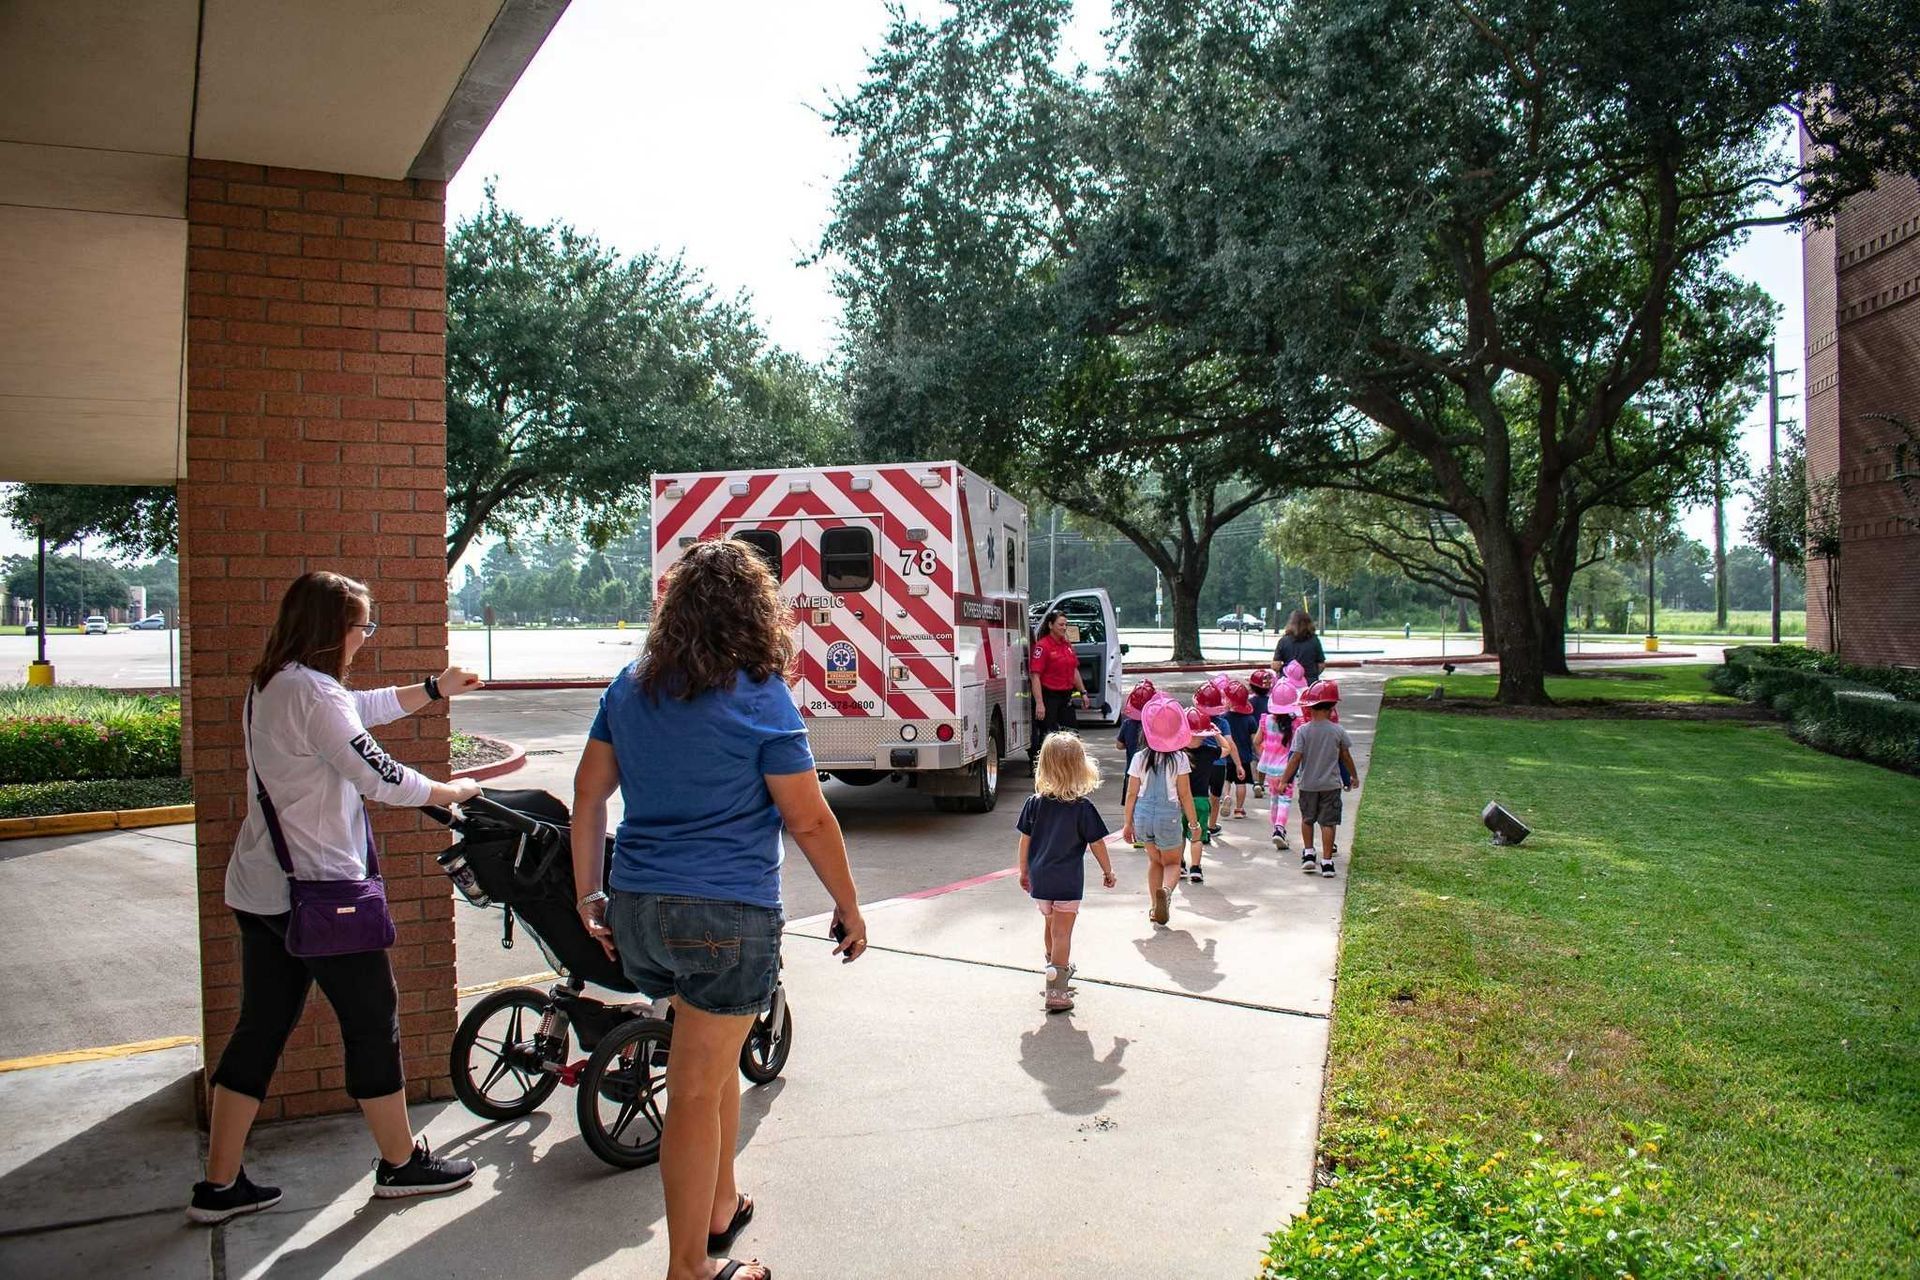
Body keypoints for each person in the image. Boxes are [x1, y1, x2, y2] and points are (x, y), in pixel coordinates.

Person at [570, 539, 869, 1280]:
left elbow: (587, 795)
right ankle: (688, 1268)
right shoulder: (759, 693)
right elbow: (807, 818)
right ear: (755, 612)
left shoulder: (628, 687)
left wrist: (588, 894)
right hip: (725, 917)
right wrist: (849, 906)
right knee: (696, 1089)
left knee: (712, 1058)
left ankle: (720, 1206)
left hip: (639, 909)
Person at [190, 571, 488, 1225]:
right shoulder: (314, 692)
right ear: (336, 630)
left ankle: (218, 1186)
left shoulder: (274, 682)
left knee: (260, 1028)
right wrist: (450, 792)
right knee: (372, 1021)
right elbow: (378, 773)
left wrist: (435, 689)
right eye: (363, 626)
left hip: (263, 889)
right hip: (325, 894)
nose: (366, 637)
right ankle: (402, 1165)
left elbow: (359, 710)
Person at [1017, 732, 1115, 1013]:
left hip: (1040, 877)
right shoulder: (1082, 807)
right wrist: (1107, 870)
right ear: (1080, 768)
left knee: (1049, 927)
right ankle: (1057, 990)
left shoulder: (1034, 803)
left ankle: (1052, 970)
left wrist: (1023, 871)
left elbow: (1025, 839)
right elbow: (1096, 843)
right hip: (1068, 880)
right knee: (1063, 933)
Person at [1122, 698, 1203, 927]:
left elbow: (1131, 794)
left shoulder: (1139, 758)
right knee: (1173, 863)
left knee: (1154, 862)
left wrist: (1128, 823)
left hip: (1143, 816)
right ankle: (1166, 893)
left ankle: (1153, 906)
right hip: (1169, 817)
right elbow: (1185, 795)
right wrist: (1194, 825)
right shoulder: (1180, 759)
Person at [1276, 680, 1359, 878]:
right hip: (1331, 785)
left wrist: (1284, 780)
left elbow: (1295, 758)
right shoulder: (1338, 731)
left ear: (1309, 707)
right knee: (1328, 823)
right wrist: (1353, 776)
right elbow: (1345, 756)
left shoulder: (1302, 731)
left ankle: (1309, 854)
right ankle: (1328, 862)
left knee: (1307, 819)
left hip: (1308, 785)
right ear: (1332, 707)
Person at [1030, 609, 1088, 758]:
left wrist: (1083, 692)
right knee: (1048, 736)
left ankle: (1072, 766)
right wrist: (1039, 703)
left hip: (1065, 696)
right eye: (1060, 624)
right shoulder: (1043, 646)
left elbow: (1074, 670)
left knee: (1072, 734)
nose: (1064, 628)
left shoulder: (1067, 645)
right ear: (1050, 625)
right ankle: (1040, 766)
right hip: (1049, 696)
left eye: (1065, 625)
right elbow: (1035, 676)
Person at [1254, 682, 1301, 853]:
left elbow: (1257, 742)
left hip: (1269, 769)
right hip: (1287, 769)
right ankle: (1279, 828)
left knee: (1274, 800)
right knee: (1285, 800)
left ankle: (1276, 828)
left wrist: (1265, 754)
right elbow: (1299, 749)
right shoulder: (1297, 724)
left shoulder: (1265, 720)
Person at [1114, 681, 1156, 848]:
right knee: (1149, 801)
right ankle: (1149, 834)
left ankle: (1135, 833)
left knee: (1132, 800)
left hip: (1132, 771)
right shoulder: (1153, 724)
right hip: (1152, 770)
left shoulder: (1127, 724)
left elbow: (1119, 745)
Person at [1223, 679, 1259, 820]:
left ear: (1230, 701)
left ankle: (1226, 796)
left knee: (1227, 780)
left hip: (1227, 755)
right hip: (1244, 756)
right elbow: (1254, 739)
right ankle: (1239, 809)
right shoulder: (1250, 719)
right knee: (1241, 783)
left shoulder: (1224, 718)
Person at [1272, 610, 1326, 684]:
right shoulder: (1315, 641)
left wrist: (1283, 672)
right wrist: (1312, 674)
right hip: (1309, 683)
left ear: (1291, 623)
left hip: (1288, 684)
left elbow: (1276, 665)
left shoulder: (1283, 641)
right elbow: (1321, 665)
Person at [1247, 669, 1275, 797]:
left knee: (1254, 759)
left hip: (1254, 733)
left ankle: (1257, 782)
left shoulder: (1250, 702)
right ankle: (1267, 781)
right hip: (1269, 733)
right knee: (1266, 757)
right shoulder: (1272, 701)